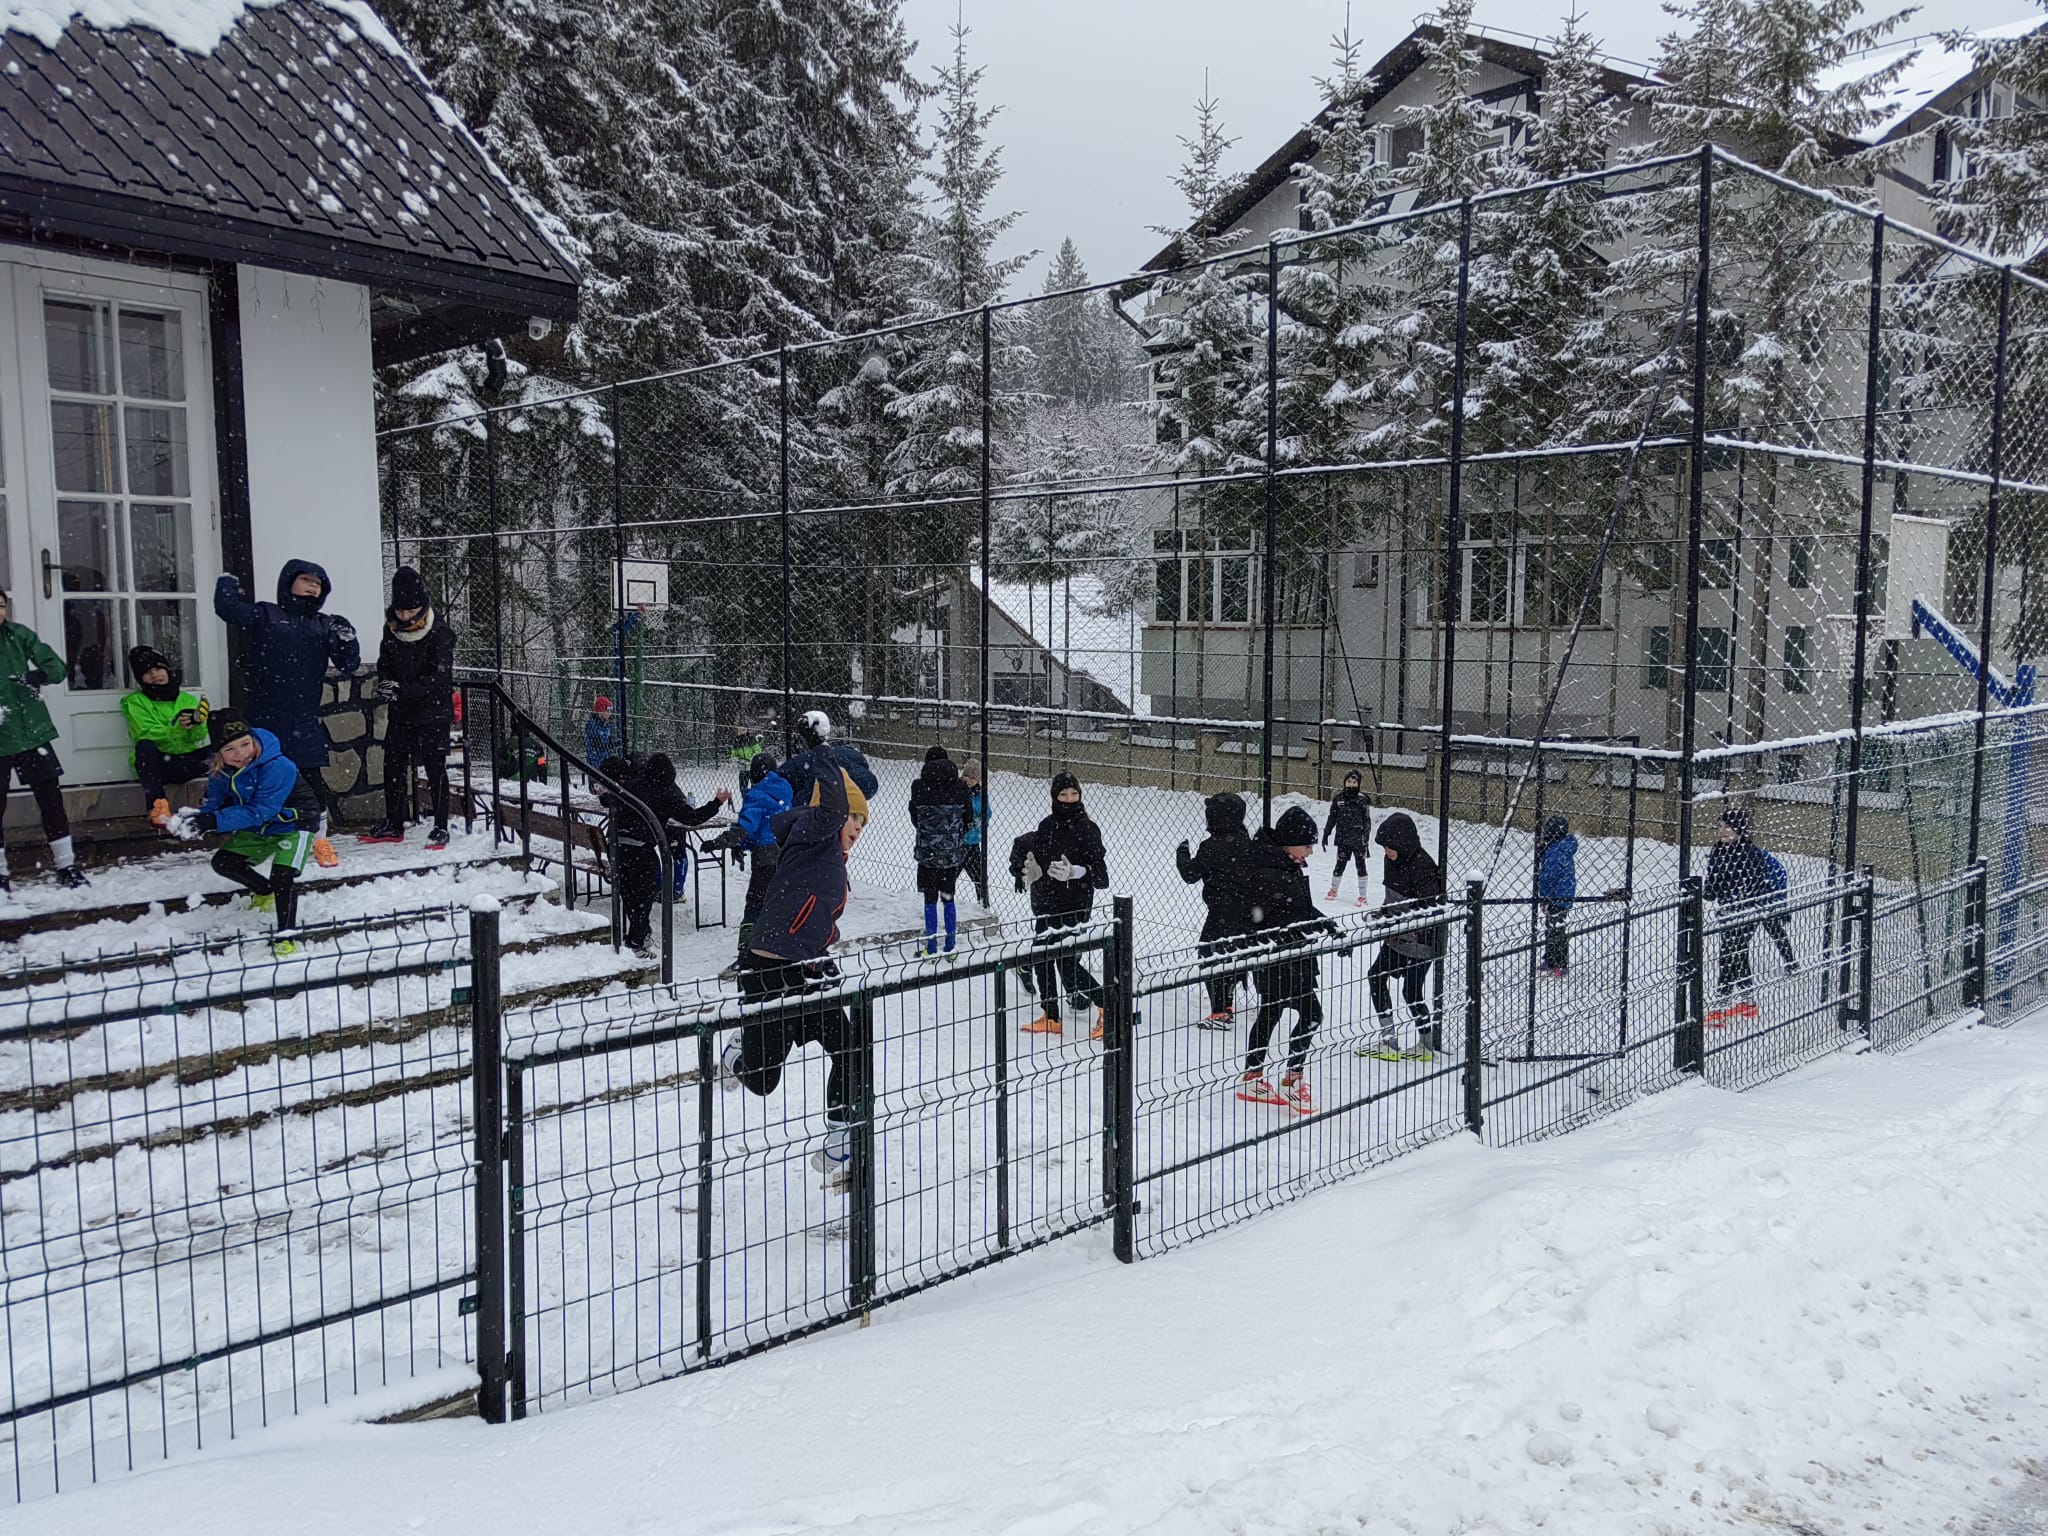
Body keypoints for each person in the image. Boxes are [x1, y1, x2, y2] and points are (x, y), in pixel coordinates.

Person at [718, 766, 871, 1189]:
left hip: (803, 974)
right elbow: (833, 805)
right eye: (853, 817)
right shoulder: (809, 837)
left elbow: (812, 919)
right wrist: (823, 752)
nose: (857, 826)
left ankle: (840, 1135)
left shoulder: (833, 861)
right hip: (766, 973)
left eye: (862, 821)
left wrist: (821, 955)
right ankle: (735, 1055)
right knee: (763, 1081)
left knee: (850, 1044)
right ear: (833, 814)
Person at [213, 560, 359, 868]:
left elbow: (348, 664)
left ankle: (319, 838)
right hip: (266, 718)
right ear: (288, 582)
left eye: (318, 583)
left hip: (304, 719)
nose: (312, 586)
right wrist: (227, 583)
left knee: (311, 779)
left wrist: (348, 640)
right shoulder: (266, 614)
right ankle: (257, 837)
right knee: (258, 778)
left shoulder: (326, 624)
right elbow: (228, 609)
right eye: (305, 579)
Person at [185, 711, 321, 952]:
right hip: (260, 824)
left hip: (294, 822)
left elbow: (262, 810)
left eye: (245, 744)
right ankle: (263, 890)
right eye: (230, 750)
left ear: (253, 740)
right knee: (224, 862)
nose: (241, 754)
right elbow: (215, 798)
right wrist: (199, 819)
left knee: (283, 876)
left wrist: (214, 821)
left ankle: (287, 935)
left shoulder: (278, 766)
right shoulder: (221, 770)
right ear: (219, 754)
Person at [1235, 806, 1340, 1113]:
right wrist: (1274, 936)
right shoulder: (1269, 871)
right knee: (1308, 1014)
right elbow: (1256, 915)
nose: (1310, 851)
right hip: (1281, 959)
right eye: (1306, 844)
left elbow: (1300, 909)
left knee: (1273, 1014)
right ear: (1289, 842)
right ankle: (1290, 1080)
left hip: (1294, 956)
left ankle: (1257, 1076)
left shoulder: (1286, 866)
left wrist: (1323, 923)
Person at [361, 567, 456, 849]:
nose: (405, 616)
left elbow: (439, 675)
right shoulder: (390, 630)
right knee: (393, 764)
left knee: (435, 767)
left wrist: (403, 689)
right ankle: (394, 822)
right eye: (400, 610)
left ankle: (440, 826)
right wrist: (387, 683)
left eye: (411, 609)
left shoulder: (440, 631)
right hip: (402, 711)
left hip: (433, 711)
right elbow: (385, 661)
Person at [1010, 771, 1109, 1037]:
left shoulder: (1088, 828)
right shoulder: (1047, 825)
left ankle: (1107, 1006)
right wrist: (1029, 868)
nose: (1069, 799)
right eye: (1063, 794)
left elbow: (1101, 876)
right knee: (1042, 958)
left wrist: (1077, 871)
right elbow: (1035, 855)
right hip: (1046, 903)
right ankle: (1050, 1016)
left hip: (1075, 905)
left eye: (1073, 793)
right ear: (1055, 797)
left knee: (1066, 963)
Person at [600, 754, 730, 955]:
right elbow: (692, 818)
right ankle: (637, 942)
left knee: (629, 894)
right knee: (645, 894)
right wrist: (717, 802)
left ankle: (638, 935)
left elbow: (607, 800)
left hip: (617, 847)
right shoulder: (667, 793)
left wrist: (604, 793)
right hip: (640, 849)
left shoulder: (633, 785)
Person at [0, 589, 86, 892]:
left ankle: (66, 864)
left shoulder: (18, 635)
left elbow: (56, 668)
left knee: (50, 798)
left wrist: (37, 676)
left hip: (31, 729)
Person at [1361, 811, 1446, 1060]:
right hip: (1396, 937)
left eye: (1390, 847)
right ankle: (1389, 1040)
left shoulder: (1423, 866)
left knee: (1412, 992)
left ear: (1403, 844)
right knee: (1376, 977)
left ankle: (1426, 1045)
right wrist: (1383, 915)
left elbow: (1429, 909)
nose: (1386, 851)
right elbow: (1394, 899)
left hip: (1420, 941)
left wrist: (1401, 923)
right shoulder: (1393, 861)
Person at [1702, 806, 1795, 1020]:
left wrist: (1728, 886)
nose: (1723, 831)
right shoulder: (1717, 851)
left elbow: (1752, 886)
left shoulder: (1751, 854)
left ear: (1739, 830)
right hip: (1727, 910)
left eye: (1728, 827)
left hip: (1749, 910)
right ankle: (1748, 1000)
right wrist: (1712, 888)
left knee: (1729, 952)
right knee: (1738, 952)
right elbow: (1712, 886)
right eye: (1720, 827)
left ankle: (1720, 1004)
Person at [1176, 791, 1257, 1028]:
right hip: (1247, 911)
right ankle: (1227, 1003)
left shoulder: (1211, 846)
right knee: (1233, 955)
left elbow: (1191, 874)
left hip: (1222, 911)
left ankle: (1220, 1012)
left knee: (1209, 955)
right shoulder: (1246, 842)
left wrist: (1182, 854)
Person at [708, 752, 794, 965]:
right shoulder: (784, 790)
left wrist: (723, 841)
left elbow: (748, 825)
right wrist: (742, 844)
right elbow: (766, 825)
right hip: (786, 854)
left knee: (755, 904)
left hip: (765, 857)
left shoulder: (756, 794)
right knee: (779, 903)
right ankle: (779, 951)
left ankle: (746, 956)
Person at [121, 644, 210, 830]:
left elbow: (198, 737)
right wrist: (177, 728)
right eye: (147, 672)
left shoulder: (187, 699)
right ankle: (158, 808)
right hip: (160, 763)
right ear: (140, 678)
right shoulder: (135, 701)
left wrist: (196, 724)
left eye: (158, 668)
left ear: (167, 670)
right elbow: (144, 732)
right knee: (144, 748)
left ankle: (215, 802)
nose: (155, 675)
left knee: (224, 748)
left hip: (186, 759)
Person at [909, 745, 972, 955]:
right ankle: (951, 945)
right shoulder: (961, 788)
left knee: (929, 898)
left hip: (928, 855)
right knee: (948, 896)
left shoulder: (918, 787)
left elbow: (915, 818)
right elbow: (969, 819)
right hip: (951, 855)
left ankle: (932, 945)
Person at [779, 709, 879, 806]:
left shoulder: (853, 760)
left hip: (799, 770)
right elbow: (809, 798)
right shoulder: (829, 775)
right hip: (791, 777)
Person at [1321, 769, 1373, 905]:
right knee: (1340, 864)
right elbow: (1332, 817)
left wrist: (1365, 838)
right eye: (1349, 781)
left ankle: (1363, 896)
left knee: (1360, 866)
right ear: (1344, 783)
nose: (1351, 784)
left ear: (1358, 784)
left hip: (1358, 839)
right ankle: (1333, 890)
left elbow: (1367, 821)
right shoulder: (1338, 799)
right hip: (1343, 838)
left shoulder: (1362, 800)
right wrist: (1326, 832)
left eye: (1354, 782)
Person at [1535, 814, 1578, 979]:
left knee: (1555, 930)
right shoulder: (1559, 847)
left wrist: (1545, 898)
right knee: (1554, 928)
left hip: (1557, 896)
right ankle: (1552, 960)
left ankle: (1558, 963)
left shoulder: (1556, 850)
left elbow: (1548, 876)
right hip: (1562, 895)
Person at [961, 759, 990, 906]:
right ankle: (944, 902)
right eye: (967, 776)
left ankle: (983, 904)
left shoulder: (980, 794)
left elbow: (987, 813)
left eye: (974, 778)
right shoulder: (959, 791)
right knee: (949, 878)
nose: (970, 781)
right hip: (959, 844)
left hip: (973, 844)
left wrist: (978, 819)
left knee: (980, 877)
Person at [583, 696, 621, 782]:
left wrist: (617, 743)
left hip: (605, 763)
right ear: (600, 711)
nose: (610, 713)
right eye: (607, 711)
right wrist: (613, 745)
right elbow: (599, 746)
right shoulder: (591, 725)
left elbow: (609, 742)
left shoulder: (607, 726)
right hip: (595, 764)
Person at [728, 729, 762, 797]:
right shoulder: (736, 742)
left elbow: (758, 751)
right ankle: (745, 800)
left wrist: (750, 760)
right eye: (740, 730)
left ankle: (754, 799)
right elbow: (733, 756)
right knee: (743, 788)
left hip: (753, 768)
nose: (741, 731)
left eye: (743, 730)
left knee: (755, 786)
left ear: (746, 731)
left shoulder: (751, 739)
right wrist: (739, 761)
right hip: (743, 768)